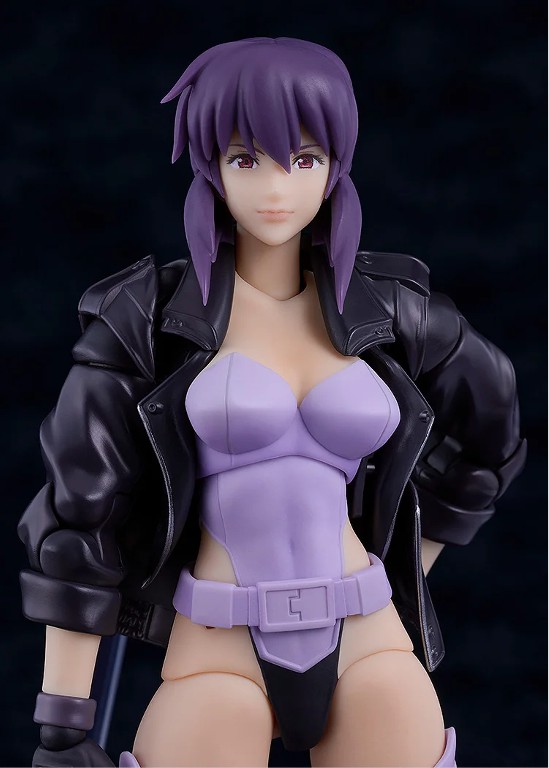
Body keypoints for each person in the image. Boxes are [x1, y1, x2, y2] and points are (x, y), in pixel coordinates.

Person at [19, 38, 526, 767]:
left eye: (305, 159)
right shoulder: (145, 320)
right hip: (217, 648)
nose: (276, 188)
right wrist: (63, 724)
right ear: (212, 167)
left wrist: (410, 560)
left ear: (335, 166)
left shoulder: (392, 312)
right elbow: (76, 520)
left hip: (368, 638)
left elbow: (490, 428)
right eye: (246, 159)